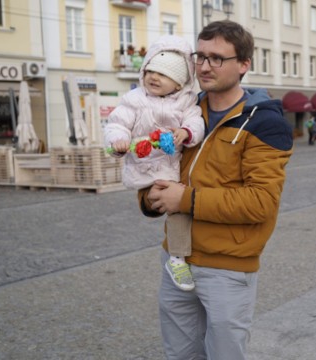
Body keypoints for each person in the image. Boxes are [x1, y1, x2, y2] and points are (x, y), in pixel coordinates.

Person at [140, 20, 293, 359]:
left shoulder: (265, 122)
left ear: (243, 65)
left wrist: (186, 199)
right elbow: (154, 164)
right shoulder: (182, 111)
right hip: (176, 258)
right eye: (200, 56)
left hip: (228, 268)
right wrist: (149, 198)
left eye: (217, 58)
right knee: (179, 355)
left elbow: (261, 202)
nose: (205, 66)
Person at [104, 35, 205, 291]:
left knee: (179, 210)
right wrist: (118, 140)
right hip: (142, 164)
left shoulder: (187, 101)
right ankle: (177, 253)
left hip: (170, 168)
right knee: (160, 202)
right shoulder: (134, 99)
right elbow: (117, 122)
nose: (154, 77)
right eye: (150, 71)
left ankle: (177, 258)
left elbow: (196, 122)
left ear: (179, 82)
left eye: (163, 74)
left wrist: (186, 132)